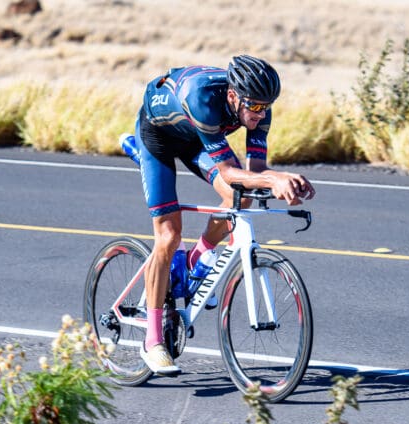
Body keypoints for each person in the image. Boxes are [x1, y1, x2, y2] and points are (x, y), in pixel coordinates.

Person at [121, 55, 315, 373]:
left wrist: (283, 180)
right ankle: (152, 340)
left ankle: (197, 261)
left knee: (241, 198)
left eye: (266, 107)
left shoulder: (257, 105)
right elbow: (228, 170)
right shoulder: (202, 97)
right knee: (169, 237)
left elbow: (255, 172)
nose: (260, 114)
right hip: (157, 137)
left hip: (195, 139)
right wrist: (273, 179)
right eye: (254, 107)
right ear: (232, 95)